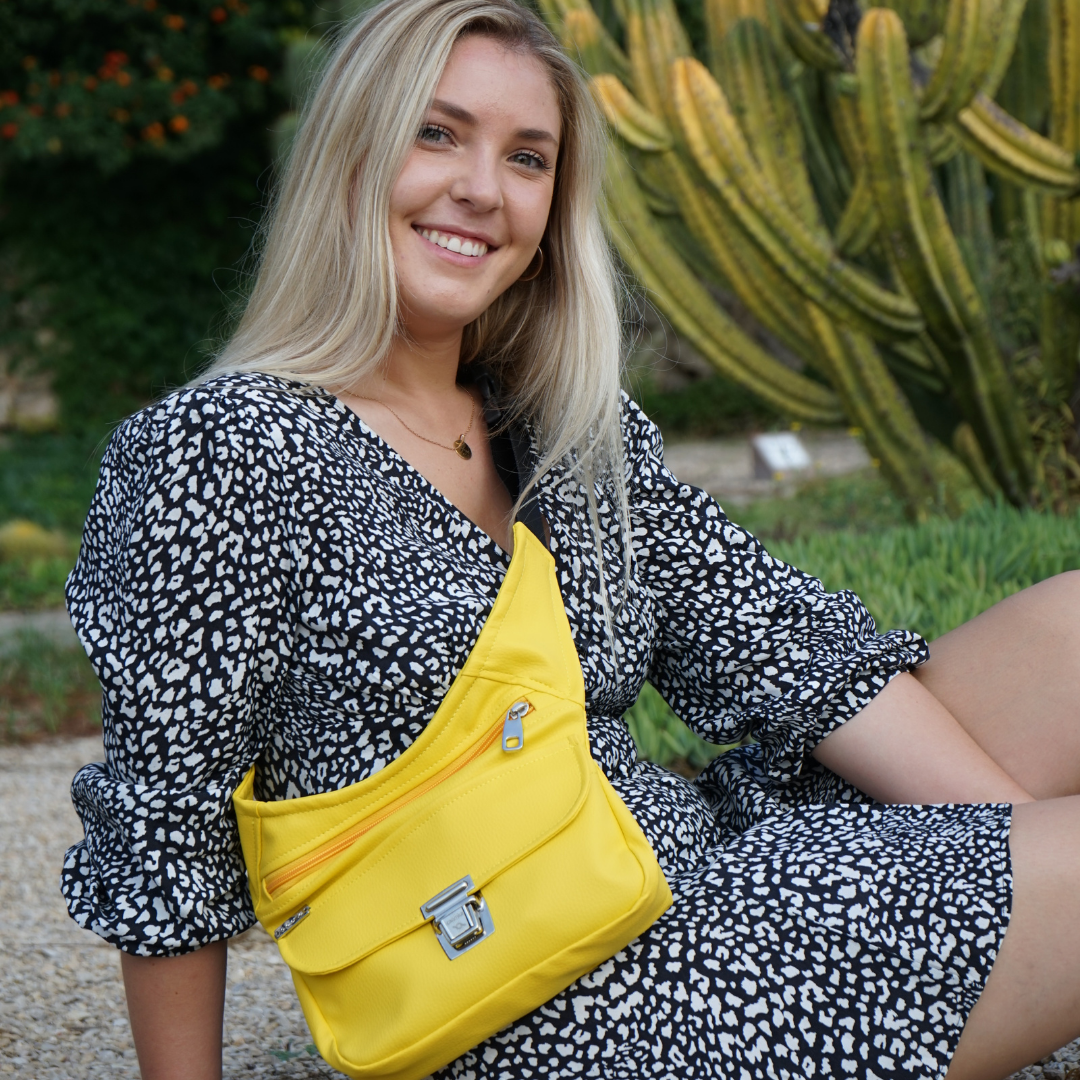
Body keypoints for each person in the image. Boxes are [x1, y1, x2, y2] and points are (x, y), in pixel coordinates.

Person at [60, 0, 1080, 1077]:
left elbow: (778, 648)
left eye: (528, 158)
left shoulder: (560, 424)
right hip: (543, 995)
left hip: (673, 867)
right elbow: (164, 831)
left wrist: (992, 851)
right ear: (350, 151)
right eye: (437, 132)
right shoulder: (221, 445)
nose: (483, 190)